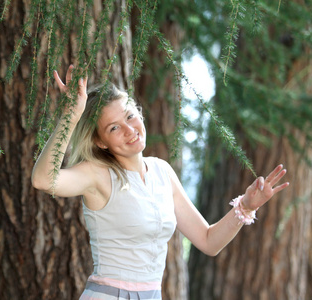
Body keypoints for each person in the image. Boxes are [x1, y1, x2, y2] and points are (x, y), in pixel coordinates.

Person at [31, 65, 289, 300]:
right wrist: (71, 116)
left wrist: (245, 206)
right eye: (114, 128)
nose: (130, 130)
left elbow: (209, 241)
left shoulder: (161, 171)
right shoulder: (96, 173)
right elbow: (44, 180)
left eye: (130, 117)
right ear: (100, 142)